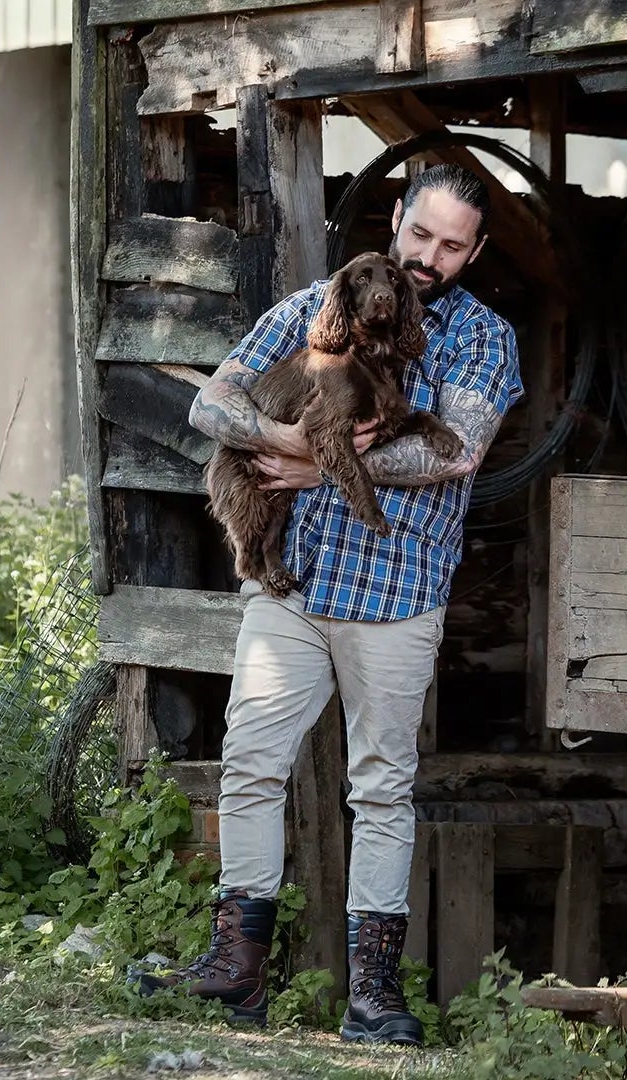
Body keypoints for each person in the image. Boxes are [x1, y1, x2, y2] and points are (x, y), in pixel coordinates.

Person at [135, 163, 524, 1044]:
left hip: (397, 595)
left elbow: (452, 455)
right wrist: (278, 435)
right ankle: (236, 972)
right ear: (397, 219)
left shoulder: (483, 339)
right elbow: (214, 402)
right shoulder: (318, 305)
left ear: (477, 251)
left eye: (452, 245)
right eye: (420, 235)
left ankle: (373, 996)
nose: (429, 257)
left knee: (381, 790)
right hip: (296, 588)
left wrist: (322, 465)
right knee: (251, 765)